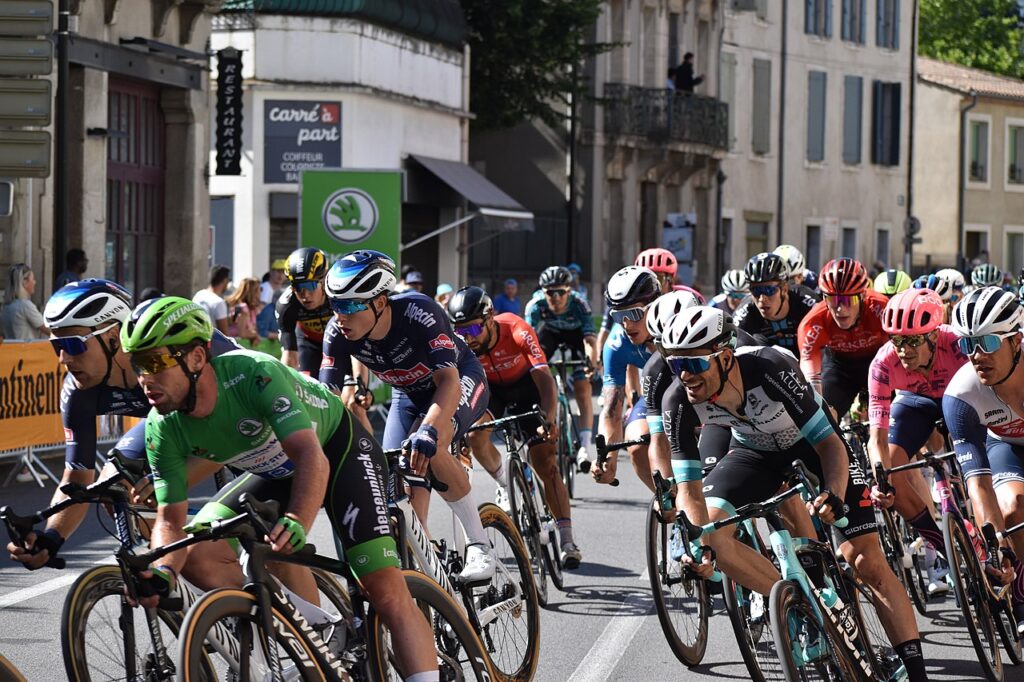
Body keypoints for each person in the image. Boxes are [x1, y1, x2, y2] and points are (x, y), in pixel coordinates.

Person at [118, 297, 440, 676]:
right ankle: (311, 627)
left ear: (196, 358)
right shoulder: (161, 426)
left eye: (155, 362)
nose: (145, 377)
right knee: (196, 548)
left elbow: (310, 457)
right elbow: (169, 520)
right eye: (137, 364)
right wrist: (162, 573)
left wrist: (297, 521)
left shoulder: (253, 373)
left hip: (335, 450)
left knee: (383, 589)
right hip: (273, 471)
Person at [658, 306, 931, 682]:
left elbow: (831, 446)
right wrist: (697, 544)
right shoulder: (678, 400)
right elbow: (688, 491)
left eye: (695, 365)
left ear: (724, 357)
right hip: (753, 453)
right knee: (712, 537)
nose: (686, 376)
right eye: (676, 366)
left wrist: (833, 494)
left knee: (864, 560)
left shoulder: (768, 368)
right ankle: (794, 601)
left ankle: (917, 673)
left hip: (814, 446)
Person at [7, 281, 240, 579]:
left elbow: (235, 432)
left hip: (242, 420)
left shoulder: (169, 351)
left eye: (73, 345)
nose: (64, 359)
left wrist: (174, 477)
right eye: (57, 346)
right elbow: (77, 476)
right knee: (113, 483)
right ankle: (194, 569)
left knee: (274, 548)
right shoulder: (78, 391)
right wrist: (51, 538)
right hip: (170, 422)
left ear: (114, 337)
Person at [321, 250, 496, 581]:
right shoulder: (338, 333)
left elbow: (448, 381)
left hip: (456, 379)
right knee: (397, 483)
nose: (340, 315)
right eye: (335, 305)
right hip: (408, 395)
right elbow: (325, 400)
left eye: (349, 305)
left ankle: (479, 544)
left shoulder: (419, 312)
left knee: (433, 443)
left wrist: (430, 430)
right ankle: (429, 574)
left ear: (380, 302)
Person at [448, 286, 582, 568]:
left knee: (546, 463)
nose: (466, 339)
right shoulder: (461, 345)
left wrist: (549, 418)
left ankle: (567, 538)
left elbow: (545, 379)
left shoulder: (516, 329)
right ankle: (504, 482)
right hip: (490, 391)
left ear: (490, 318)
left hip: (527, 388)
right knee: (475, 434)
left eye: (472, 330)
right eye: (460, 332)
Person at [867, 289, 967, 595]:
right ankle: (940, 544)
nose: (903, 350)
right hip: (916, 403)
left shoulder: (958, 344)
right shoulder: (883, 364)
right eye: (896, 340)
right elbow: (877, 438)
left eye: (911, 341)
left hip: (960, 396)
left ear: (934, 336)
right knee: (891, 472)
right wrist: (880, 480)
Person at [943, 287, 1024, 632]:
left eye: (988, 343)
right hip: (1007, 447)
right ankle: (1021, 595)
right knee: (1013, 508)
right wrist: (998, 546)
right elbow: (977, 483)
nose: (976, 355)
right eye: (967, 344)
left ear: (1016, 341)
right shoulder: (960, 395)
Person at [591, 267, 661, 492]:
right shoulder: (616, 344)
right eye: (618, 316)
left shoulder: (675, 327)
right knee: (636, 443)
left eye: (634, 314)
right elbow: (612, 410)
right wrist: (608, 456)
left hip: (698, 392)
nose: (626, 324)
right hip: (657, 391)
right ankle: (671, 502)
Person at [525, 266, 600, 471]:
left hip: (577, 337)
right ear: (543, 292)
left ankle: (585, 446)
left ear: (569, 291)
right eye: (550, 292)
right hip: (550, 334)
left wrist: (591, 363)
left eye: (561, 292)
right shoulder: (536, 305)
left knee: (582, 388)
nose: (556, 297)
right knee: (536, 374)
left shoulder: (579, 304)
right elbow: (526, 341)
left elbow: (590, 341)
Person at [798, 257, 888, 419]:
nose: (840, 308)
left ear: (862, 296)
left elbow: (897, 356)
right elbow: (811, 376)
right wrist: (819, 410)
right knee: (822, 415)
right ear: (824, 298)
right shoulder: (813, 322)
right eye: (833, 299)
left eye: (849, 299)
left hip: (878, 364)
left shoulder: (880, 308)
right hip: (840, 369)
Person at [733, 252, 817, 351]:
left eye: (769, 290)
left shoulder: (807, 301)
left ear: (784, 289)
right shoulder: (745, 312)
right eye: (755, 290)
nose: (761, 299)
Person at [275, 247, 333, 375]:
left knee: (349, 391)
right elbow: (289, 355)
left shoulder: (337, 295)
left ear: (323, 281)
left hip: (339, 343)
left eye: (310, 285)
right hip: (308, 343)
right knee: (303, 384)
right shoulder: (286, 304)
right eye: (297, 286)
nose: (304, 294)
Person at [2, 263, 47, 340]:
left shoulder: (6, 306)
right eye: (32, 279)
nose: (34, 282)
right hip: (26, 350)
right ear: (24, 282)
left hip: (10, 350)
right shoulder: (25, 305)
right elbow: (48, 330)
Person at [192, 264, 230, 334]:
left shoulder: (199, 294)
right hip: (212, 342)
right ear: (225, 281)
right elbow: (224, 335)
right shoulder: (219, 302)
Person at [224, 277, 262, 345]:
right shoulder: (243, 309)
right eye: (259, 289)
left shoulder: (253, 309)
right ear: (252, 292)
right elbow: (242, 333)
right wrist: (255, 335)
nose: (260, 292)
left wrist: (254, 336)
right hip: (233, 347)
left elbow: (252, 329)